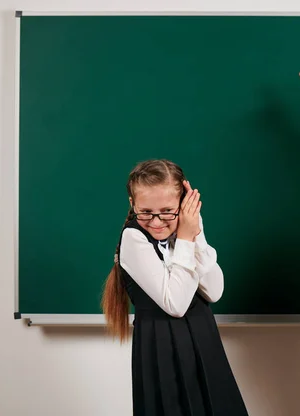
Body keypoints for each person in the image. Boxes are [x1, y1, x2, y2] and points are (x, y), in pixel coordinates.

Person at [102, 159, 248, 416]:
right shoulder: (133, 237)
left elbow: (214, 291)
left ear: (184, 205)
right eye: (145, 212)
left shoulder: (186, 231)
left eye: (168, 211)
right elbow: (176, 305)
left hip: (204, 339)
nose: (156, 222)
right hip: (162, 347)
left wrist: (196, 233)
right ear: (132, 204)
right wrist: (184, 239)